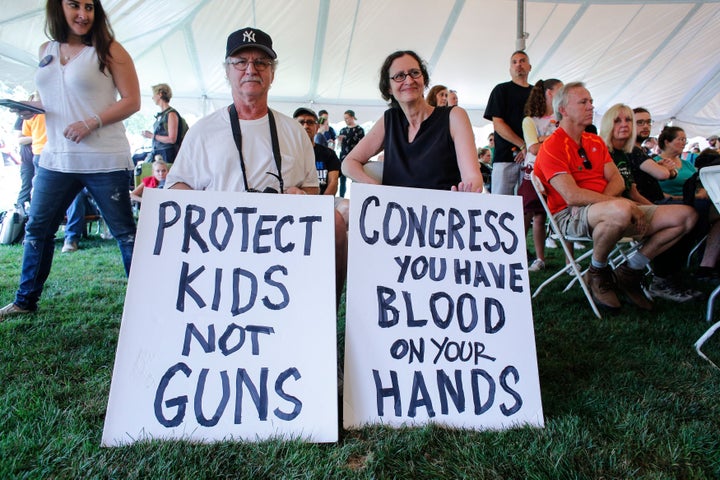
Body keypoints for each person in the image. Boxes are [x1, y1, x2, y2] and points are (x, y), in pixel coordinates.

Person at [166, 27, 347, 308]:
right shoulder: (203, 131)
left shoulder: (294, 131)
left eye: (261, 63)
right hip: (221, 241)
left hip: (282, 238)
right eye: (241, 62)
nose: (251, 69)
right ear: (227, 72)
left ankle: (325, 315)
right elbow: (176, 188)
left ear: (272, 74)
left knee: (335, 224)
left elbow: (312, 189)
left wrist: (301, 197)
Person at [0, 0, 140, 320]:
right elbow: (55, 98)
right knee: (38, 229)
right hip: (55, 158)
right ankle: (25, 300)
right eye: (74, 5)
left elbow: (132, 100)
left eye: (89, 7)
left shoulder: (109, 48)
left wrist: (92, 121)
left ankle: (145, 304)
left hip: (104, 159)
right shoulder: (45, 49)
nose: (83, 14)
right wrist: (30, 108)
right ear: (58, 8)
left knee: (125, 234)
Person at [534, 82, 693, 311]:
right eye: (583, 102)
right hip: (570, 215)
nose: (591, 106)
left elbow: (618, 180)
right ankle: (597, 271)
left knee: (685, 216)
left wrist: (613, 204)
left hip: (603, 210)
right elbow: (571, 195)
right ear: (564, 110)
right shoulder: (552, 146)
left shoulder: (595, 141)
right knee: (620, 211)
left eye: (591, 101)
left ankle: (630, 270)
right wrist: (619, 204)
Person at [342, 50, 483, 194]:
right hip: (397, 212)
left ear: (424, 79)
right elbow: (348, 163)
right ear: (389, 88)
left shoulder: (454, 116)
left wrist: (468, 194)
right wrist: (375, 187)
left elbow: (472, 177)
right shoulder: (389, 120)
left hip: (443, 211)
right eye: (399, 76)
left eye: (415, 73)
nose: (409, 81)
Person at [599, 104, 699, 302]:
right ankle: (658, 278)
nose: (625, 125)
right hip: (612, 214)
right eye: (618, 120)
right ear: (608, 124)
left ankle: (632, 269)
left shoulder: (624, 153)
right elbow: (604, 194)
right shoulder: (603, 152)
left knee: (690, 216)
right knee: (685, 217)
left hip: (633, 207)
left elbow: (633, 191)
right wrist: (642, 208)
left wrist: (652, 209)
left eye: (628, 120)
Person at [519, 78, 563, 272]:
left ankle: (541, 258)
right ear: (549, 93)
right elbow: (534, 148)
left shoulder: (562, 118)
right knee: (530, 214)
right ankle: (522, 254)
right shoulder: (530, 120)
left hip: (556, 171)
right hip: (535, 172)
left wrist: (544, 138)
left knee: (544, 216)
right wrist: (554, 138)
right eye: (561, 90)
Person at [484, 51, 533, 195]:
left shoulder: (537, 93)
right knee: (500, 206)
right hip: (505, 158)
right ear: (510, 69)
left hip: (531, 158)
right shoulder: (501, 90)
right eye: (514, 62)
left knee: (529, 205)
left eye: (522, 61)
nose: (518, 65)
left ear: (530, 66)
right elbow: (498, 124)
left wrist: (528, 149)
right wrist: (522, 145)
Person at [293, 107, 341, 196]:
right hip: (295, 202)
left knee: (346, 206)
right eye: (301, 122)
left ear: (317, 127)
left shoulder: (329, 154)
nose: (305, 126)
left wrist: (322, 204)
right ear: (293, 126)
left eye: (310, 122)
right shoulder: (286, 153)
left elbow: (333, 182)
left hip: (325, 200)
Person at [141, 83, 181, 164]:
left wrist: (152, 136)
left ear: (160, 94)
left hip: (167, 154)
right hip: (158, 153)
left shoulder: (171, 114)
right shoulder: (163, 115)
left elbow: (172, 139)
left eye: (154, 94)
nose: (152, 97)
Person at [336, 109, 364, 197]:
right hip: (343, 157)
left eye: (347, 118)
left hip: (355, 158)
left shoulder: (359, 130)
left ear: (352, 117)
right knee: (342, 180)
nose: (345, 120)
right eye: (344, 119)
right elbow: (339, 146)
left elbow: (362, 145)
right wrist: (339, 141)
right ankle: (341, 197)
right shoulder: (342, 130)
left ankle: (355, 198)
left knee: (355, 180)